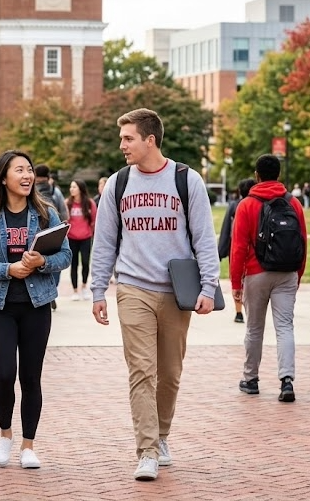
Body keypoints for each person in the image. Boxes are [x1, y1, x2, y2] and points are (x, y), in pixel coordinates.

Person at [89, 108, 220, 481]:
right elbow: (105, 243)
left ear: (150, 140)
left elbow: (204, 239)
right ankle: (146, 450)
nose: (122, 145)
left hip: (177, 292)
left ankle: (162, 435)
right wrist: (99, 289)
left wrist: (208, 286)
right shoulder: (117, 183)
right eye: (121, 139)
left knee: (170, 374)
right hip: (132, 288)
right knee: (141, 373)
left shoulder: (186, 180)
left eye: (128, 138)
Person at [0, 150, 71, 470]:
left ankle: (28, 445)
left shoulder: (45, 214)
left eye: (29, 170)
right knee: (3, 374)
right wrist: (8, 270)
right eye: (19, 170)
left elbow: (64, 255)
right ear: (3, 178)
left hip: (37, 305)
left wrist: (42, 263)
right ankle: (5, 435)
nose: (27, 176)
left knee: (30, 376)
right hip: (0, 306)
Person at [229, 155, 307, 402]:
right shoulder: (293, 203)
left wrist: (235, 283)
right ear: (279, 174)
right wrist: (298, 274)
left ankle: (251, 379)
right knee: (285, 327)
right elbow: (302, 242)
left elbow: (238, 247)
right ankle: (286, 381)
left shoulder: (247, 204)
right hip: (287, 272)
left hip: (255, 272)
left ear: (257, 175)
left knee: (254, 328)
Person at [218, 178, 257, 323]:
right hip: (254, 251)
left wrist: (221, 251)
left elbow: (226, 229)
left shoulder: (234, 206)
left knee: (237, 279)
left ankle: (238, 311)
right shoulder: (259, 205)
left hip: (235, 248)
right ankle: (250, 310)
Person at [66, 179, 97, 301]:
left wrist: (92, 233)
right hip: (71, 238)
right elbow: (64, 221)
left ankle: (84, 286)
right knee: (73, 264)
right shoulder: (67, 203)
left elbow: (95, 219)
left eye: (74, 187)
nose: (71, 189)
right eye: (70, 187)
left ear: (80, 189)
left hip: (85, 238)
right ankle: (74, 290)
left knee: (85, 262)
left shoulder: (89, 203)